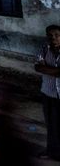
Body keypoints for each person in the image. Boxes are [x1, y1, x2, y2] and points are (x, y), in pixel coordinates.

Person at [35, 24, 60, 161]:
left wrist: (46, 69)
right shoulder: (44, 48)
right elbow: (38, 67)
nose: (53, 38)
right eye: (50, 36)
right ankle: (52, 152)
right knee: (51, 125)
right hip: (48, 93)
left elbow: (43, 68)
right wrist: (56, 71)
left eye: (57, 35)